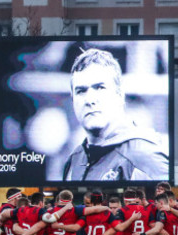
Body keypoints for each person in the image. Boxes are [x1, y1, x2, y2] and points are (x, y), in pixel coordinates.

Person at [62, 48, 168, 181]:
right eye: (81, 91)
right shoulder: (75, 159)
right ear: (72, 99)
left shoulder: (144, 156)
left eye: (100, 88)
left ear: (119, 94)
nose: (90, 100)